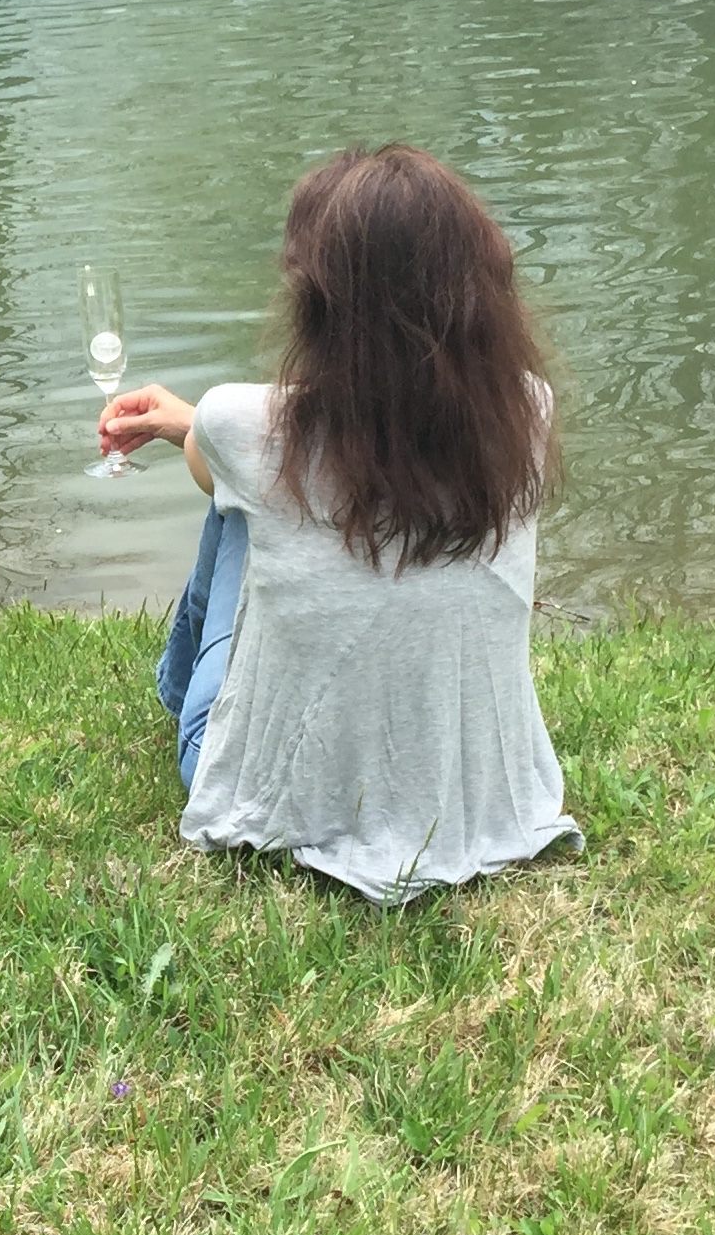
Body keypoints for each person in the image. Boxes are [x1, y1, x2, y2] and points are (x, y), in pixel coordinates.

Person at [98, 143, 579, 903]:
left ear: (322, 306)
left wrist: (189, 425)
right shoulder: (526, 411)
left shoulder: (241, 426)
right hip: (482, 807)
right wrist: (199, 428)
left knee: (236, 514)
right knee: (255, 497)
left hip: (279, 805)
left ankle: (182, 699)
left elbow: (217, 461)